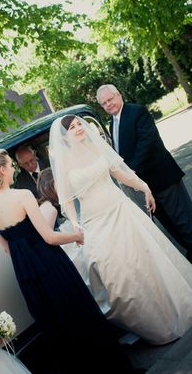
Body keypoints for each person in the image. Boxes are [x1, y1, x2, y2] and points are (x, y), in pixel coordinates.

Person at [0, 148, 136, 374]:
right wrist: (77, 236)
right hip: (51, 266)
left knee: (56, 328)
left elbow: (7, 250)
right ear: (1, 170)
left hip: (27, 276)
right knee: (80, 314)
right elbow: (49, 237)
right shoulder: (22, 196)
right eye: (11, 165)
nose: (13, 168)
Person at [49, 114, 192, 345]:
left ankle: (177, 306)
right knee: (118, 275)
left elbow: (119, 173)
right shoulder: (64, 165)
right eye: (72, 128)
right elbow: (66, 202)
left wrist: (144, 187)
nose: (78, 129)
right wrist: (75, 223)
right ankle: (151, 321)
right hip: (96, 220)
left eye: (78, 124)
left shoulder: (97, 148)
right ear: (64, 138)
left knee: (149, 259)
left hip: (121, 209)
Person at [96, 84, 192, 262]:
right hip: (146, 188)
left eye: (110, 99)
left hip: (163, 178)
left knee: (185, 220)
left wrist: (131, 170)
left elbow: (147, 141)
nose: (108, 104)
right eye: (104, 103)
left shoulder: (136, 112)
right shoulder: (112, 124)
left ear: (119, 95)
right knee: (171, 227)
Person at [37, 167, 90, 293]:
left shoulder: (46, 205)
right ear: (50, 186)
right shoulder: (49, 209)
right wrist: (77, 237)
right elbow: (46, 239)